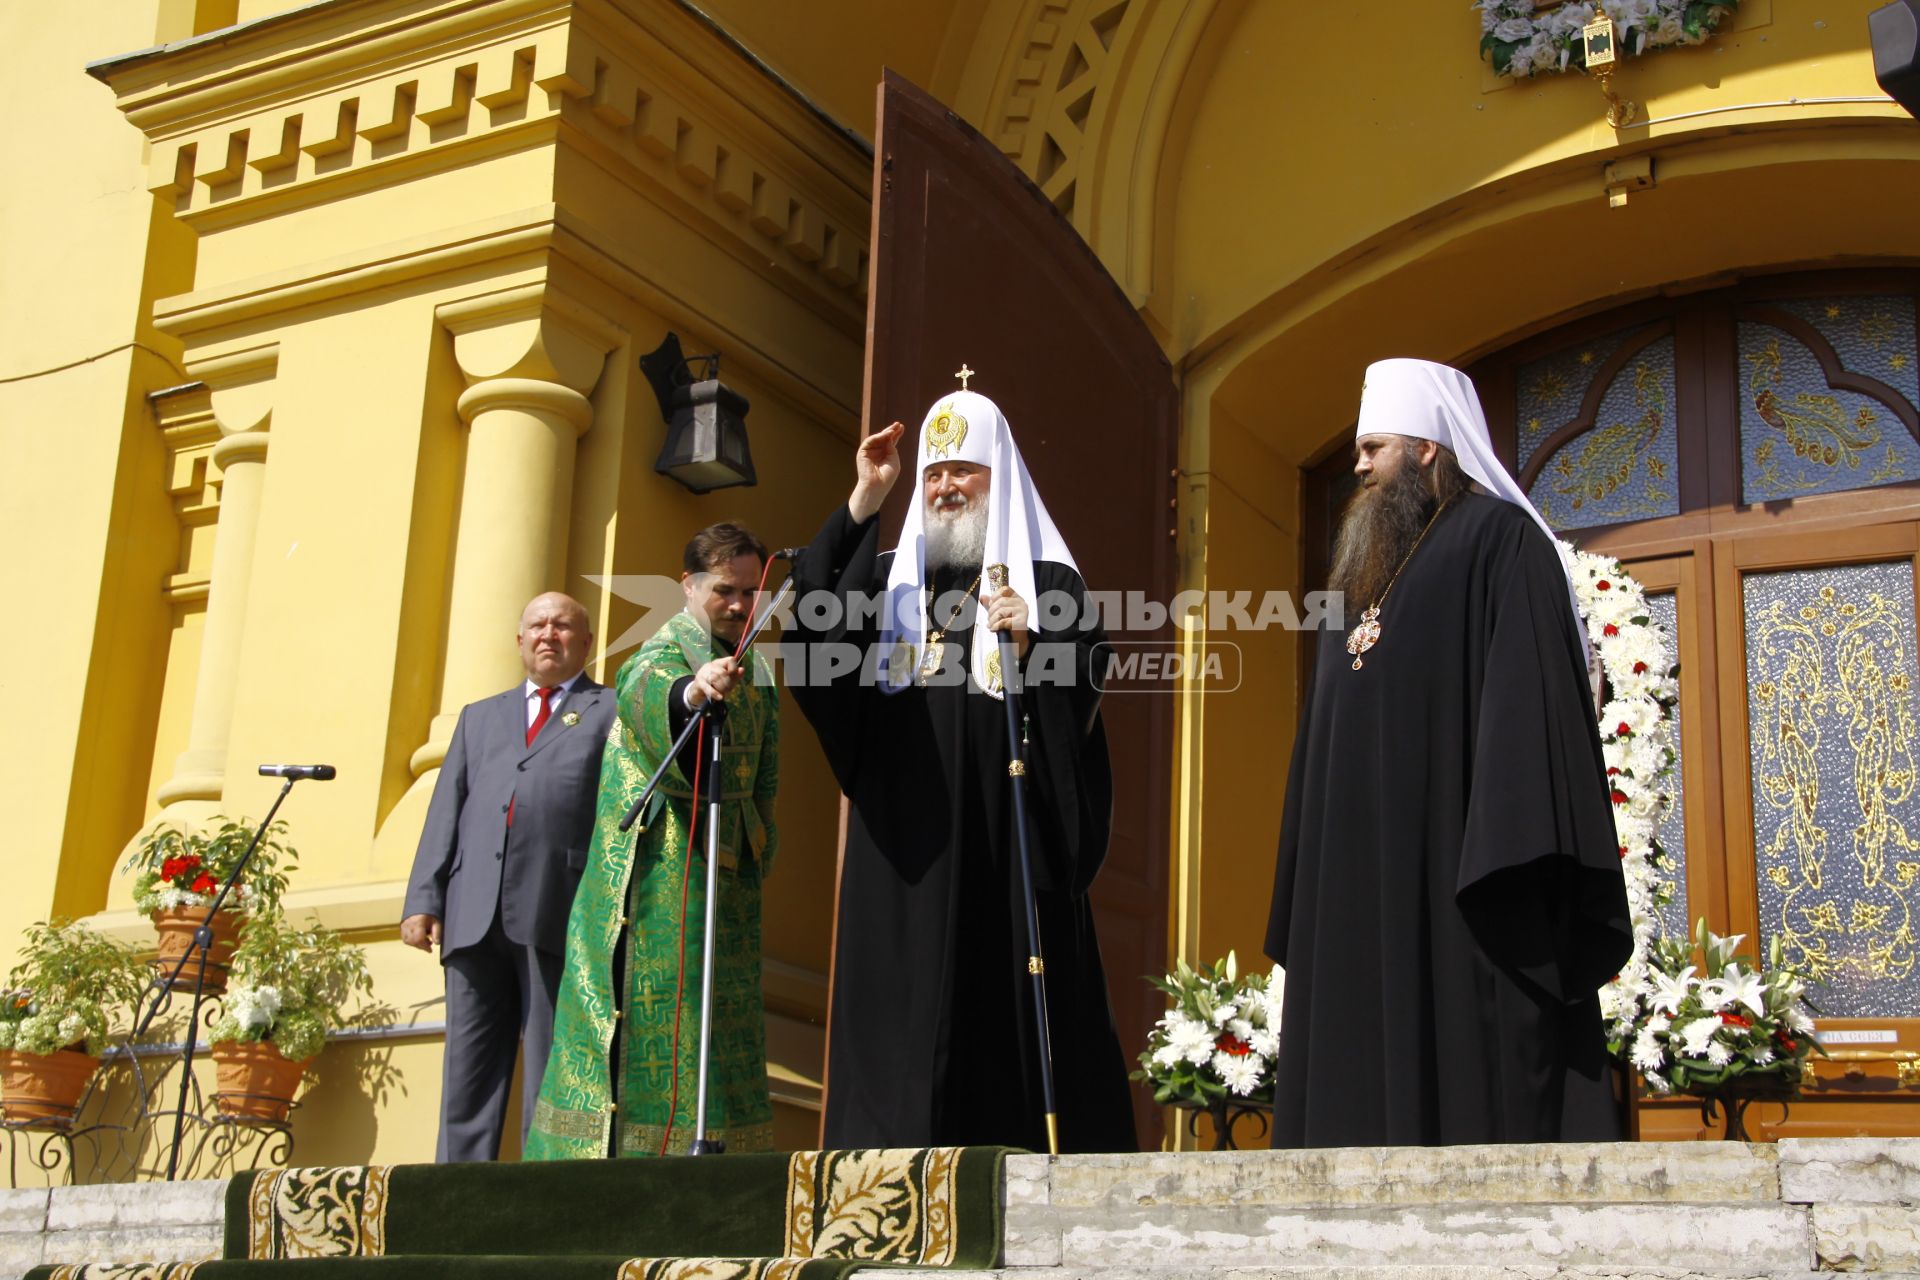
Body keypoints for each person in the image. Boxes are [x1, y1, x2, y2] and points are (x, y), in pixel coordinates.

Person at [1266, 357, 1633, 1147]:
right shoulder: (1359, 576)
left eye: (1375, 447)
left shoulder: (1505, 544)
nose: (1357, 465)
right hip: (1356, 885)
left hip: (1458, 871)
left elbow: (1529, 713)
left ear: (1430, 447)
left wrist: (1496, 852)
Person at [787, 389, 1135, 1153]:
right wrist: (864, 498)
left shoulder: (1048, 587)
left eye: (962, 472)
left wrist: (1032, 648)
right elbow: (812, 651)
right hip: (904, 849)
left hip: (1005, 847)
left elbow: (1080, 698)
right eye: (934, 474)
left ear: (998, 478)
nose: (945, 487)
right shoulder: (886, 581)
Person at [524, 523, 780, 1158]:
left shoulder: (759, 671)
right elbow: (648, 694)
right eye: (726, 590)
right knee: (664, 1018)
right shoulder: (661, 653)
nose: (740, 605)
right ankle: (646, 1155)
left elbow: (767, 776)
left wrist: (759, 842)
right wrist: (693, 693)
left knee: (721, 1019)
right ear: (689, 586)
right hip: (659, 877)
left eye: (750, 593)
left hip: (727, 875)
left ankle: (721, 1147)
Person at [402, 592, 615, 1162]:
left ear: (587, 642)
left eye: (564, 626)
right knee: (468, 1068)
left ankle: (539, 1190)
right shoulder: (480, 717)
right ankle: (456, 1194)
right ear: (520, 641)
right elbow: (446, 808)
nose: (550, 635)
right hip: (472, 909)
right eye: (538, 626)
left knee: (550, 1062)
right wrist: (424, 898)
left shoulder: (610, 710)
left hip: (557, 903)